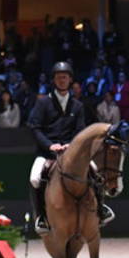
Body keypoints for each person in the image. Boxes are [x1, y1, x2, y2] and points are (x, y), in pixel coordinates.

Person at [26, 61, 110, 232]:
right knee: (35, 177)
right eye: (59, 77)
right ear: (54, 80)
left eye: (65, 77)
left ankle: (101, 209)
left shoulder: (77, 105)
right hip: (47, 152)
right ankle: (42, 217)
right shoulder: (43, 103)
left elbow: (80, 130)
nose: (62, 80)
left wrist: (71, 145)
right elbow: (35, 128)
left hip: (71, 152)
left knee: (95, 172)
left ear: (70, 80)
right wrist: (50, 146)